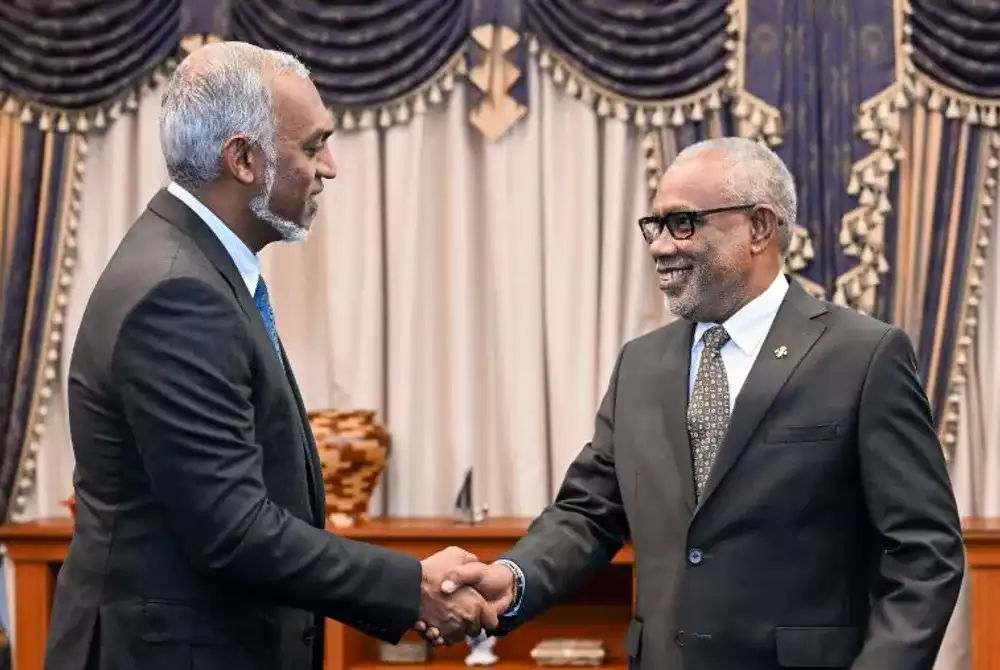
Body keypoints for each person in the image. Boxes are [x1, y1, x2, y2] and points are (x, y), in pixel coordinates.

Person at [431, 137, 965, 669]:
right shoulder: (641, 364)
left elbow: (926, 552)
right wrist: (512, 578)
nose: (661, 246)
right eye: (655, 225)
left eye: (683, 222)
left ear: (759, 227)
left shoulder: (862, 355)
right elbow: (589, 513)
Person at [45, 42, 494, 670]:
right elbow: (232, 530)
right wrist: (408, 585)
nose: (329, 168)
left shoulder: (198, 268)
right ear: (245, 159)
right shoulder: (178, 291)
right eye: (312, 147)